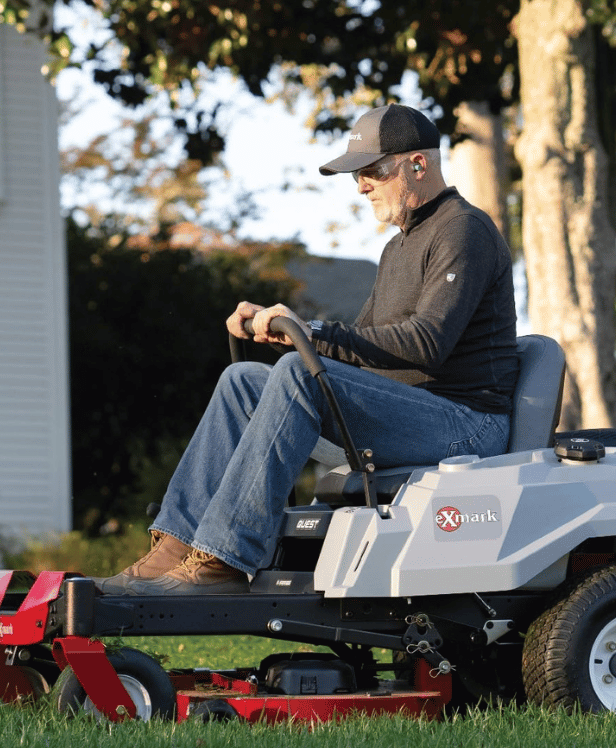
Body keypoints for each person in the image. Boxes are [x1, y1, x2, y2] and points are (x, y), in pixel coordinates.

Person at [94, 103, 519, 596]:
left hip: (468, 426)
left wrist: (310, 332)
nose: (361, 185)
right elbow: (355, 345)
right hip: (416, 413)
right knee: (243, 381)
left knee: (299, 370)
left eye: (372, 172)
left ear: (417, 165)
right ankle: (175, 545)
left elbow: (426, 344)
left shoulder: (464, 230)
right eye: (357, 175)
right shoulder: (397, 247)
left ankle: (225, 559)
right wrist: (285, 333)